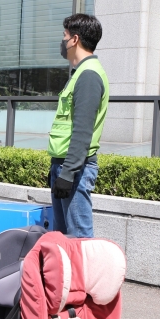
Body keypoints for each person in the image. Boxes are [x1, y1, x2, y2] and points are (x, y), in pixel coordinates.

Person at [48, 13, 109, 238]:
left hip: (76, 170)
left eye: (64, 36)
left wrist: (68, 173)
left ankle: (85, 276)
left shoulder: (89, 75)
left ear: (74, 40)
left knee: (79, 240)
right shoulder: (79, 73)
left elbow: (82, 130)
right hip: (67, 167)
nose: (62, 42)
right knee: (64, 242)